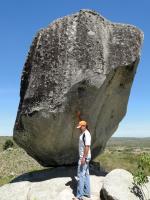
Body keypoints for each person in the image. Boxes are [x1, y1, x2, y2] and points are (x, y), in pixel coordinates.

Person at [73, 119, 91, 200]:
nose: (79, 128)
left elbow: (87, 146)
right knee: (86, 175)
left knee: (80, 176)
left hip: (84, 157)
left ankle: (79, 196)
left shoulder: (86, 134)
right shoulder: (84, 133)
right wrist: (78, 116)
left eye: (80, 127)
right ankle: (87, 193)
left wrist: (84, 157)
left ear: (84, 126)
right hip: (86, 157)